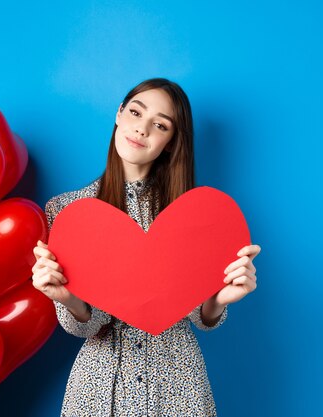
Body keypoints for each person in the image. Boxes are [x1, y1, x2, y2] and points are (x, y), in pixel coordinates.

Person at [31, 78, 261, 417]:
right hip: (99, 390)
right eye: (136, 113)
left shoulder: (194, 216)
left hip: (178, 387)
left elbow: (200, 316)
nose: (142, 129)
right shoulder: (66, 211)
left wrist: (218, 300)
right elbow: (85, 326)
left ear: (170, 142)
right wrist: (65, 298)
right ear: (119, 114)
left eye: (160, 125)